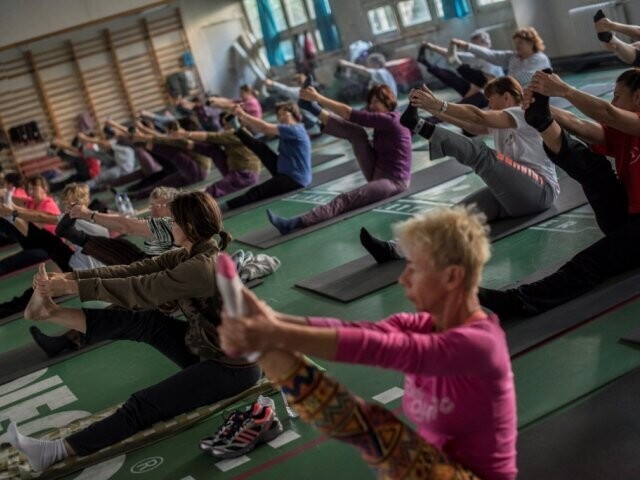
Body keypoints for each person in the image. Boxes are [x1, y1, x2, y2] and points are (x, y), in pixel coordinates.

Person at [218, 205, 517, 479]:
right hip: (428, 470)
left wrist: (270, 333)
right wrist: (270, 320)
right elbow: (363, 334)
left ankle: (271, 356)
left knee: (376, 430)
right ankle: (270, 352)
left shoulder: (479, 346)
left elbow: (380, 349)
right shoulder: (424, 326)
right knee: (375, 437)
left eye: (415, 268)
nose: (404, 279)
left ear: (452, 277)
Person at [8, 191, 261, 473]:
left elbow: (141, 290)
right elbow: (132, 271)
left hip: (232, 366)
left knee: (143, 404)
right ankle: (52, 313)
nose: (169, 224)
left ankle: (54, 452)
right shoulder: (188, 254)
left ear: (189, 227)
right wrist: (69, 278)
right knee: (144, 321)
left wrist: (70, 288)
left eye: (173, 220)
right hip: (206, 346)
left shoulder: (201, 267)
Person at [479, 68, 640, 319]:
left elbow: (607, 113)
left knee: (591, 262)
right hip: (627, 219)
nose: (613, 101)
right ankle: (543, 123)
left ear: (638, 97)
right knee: (594, 168)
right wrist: (540, 109)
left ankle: (520, 301)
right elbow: (580, 125)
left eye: (617, 96)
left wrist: (563, 89)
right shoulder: (623, 133)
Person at [267, 84, 412, 235]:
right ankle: (312, 109)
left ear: (387, 102)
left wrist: (318, 98)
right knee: (356, 133)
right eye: (371, 101)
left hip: (394, 182)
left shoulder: (391, 120)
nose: (371, 105)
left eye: (376, 101)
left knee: (345, 200)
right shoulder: (385, 121)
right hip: (378, 172)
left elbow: (348, 113)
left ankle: (294, 223)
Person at [221, 102, 312, 211]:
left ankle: (221, 208)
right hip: (286, 170)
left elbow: (264, 128)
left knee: (256, 192)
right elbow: (264, 129)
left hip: (294, 179)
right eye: (279, 115)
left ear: (295, 115)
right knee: (261, 147)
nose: (281, 118)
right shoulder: (291, 129)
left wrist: (242, 114)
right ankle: (236, 127)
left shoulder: (294, 130)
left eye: (285, 114)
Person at [149, 114, 262, 198]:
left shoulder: (237, 133)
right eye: (224, 125)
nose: (224, 127)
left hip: (244, 175)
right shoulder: (234, 133)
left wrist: (184, 134)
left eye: (226, 124)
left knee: (212, 190)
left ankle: (189, 201)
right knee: (214, 150)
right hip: (235, 170)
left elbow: (212, 136)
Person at [417, 30, 504, 109]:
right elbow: (449, 54)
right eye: (474, 47)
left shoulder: (490, 61)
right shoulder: (473, 56)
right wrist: (430, 46)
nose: (475, 50)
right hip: (476, 88)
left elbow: (483, 85)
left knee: (457, 108)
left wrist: (465, 99)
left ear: (488, 44)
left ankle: (432, 119)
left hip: (487, 95)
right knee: (450, 77)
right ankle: (425, 62)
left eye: (478, 46)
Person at [0, 175, 62, 275]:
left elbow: (36, 220)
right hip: (33, 242)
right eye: (29, 189)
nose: (31, 192)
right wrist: (7, 198)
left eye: (34, 189)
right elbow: (18, 203)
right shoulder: (33, 202)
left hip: (46, 250)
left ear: (45, 189)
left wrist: (12, 212)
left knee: (8, 263)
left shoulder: (48, 204)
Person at [451, 27, 551, 87]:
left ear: (531, 43)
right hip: (512, 92)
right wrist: (465, 45)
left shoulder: (540, 59)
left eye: (520, 43)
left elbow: (523, 77)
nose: (517, 46)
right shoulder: (513, 56)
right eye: (515, 43)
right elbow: (490, 55)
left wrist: (495, 82)